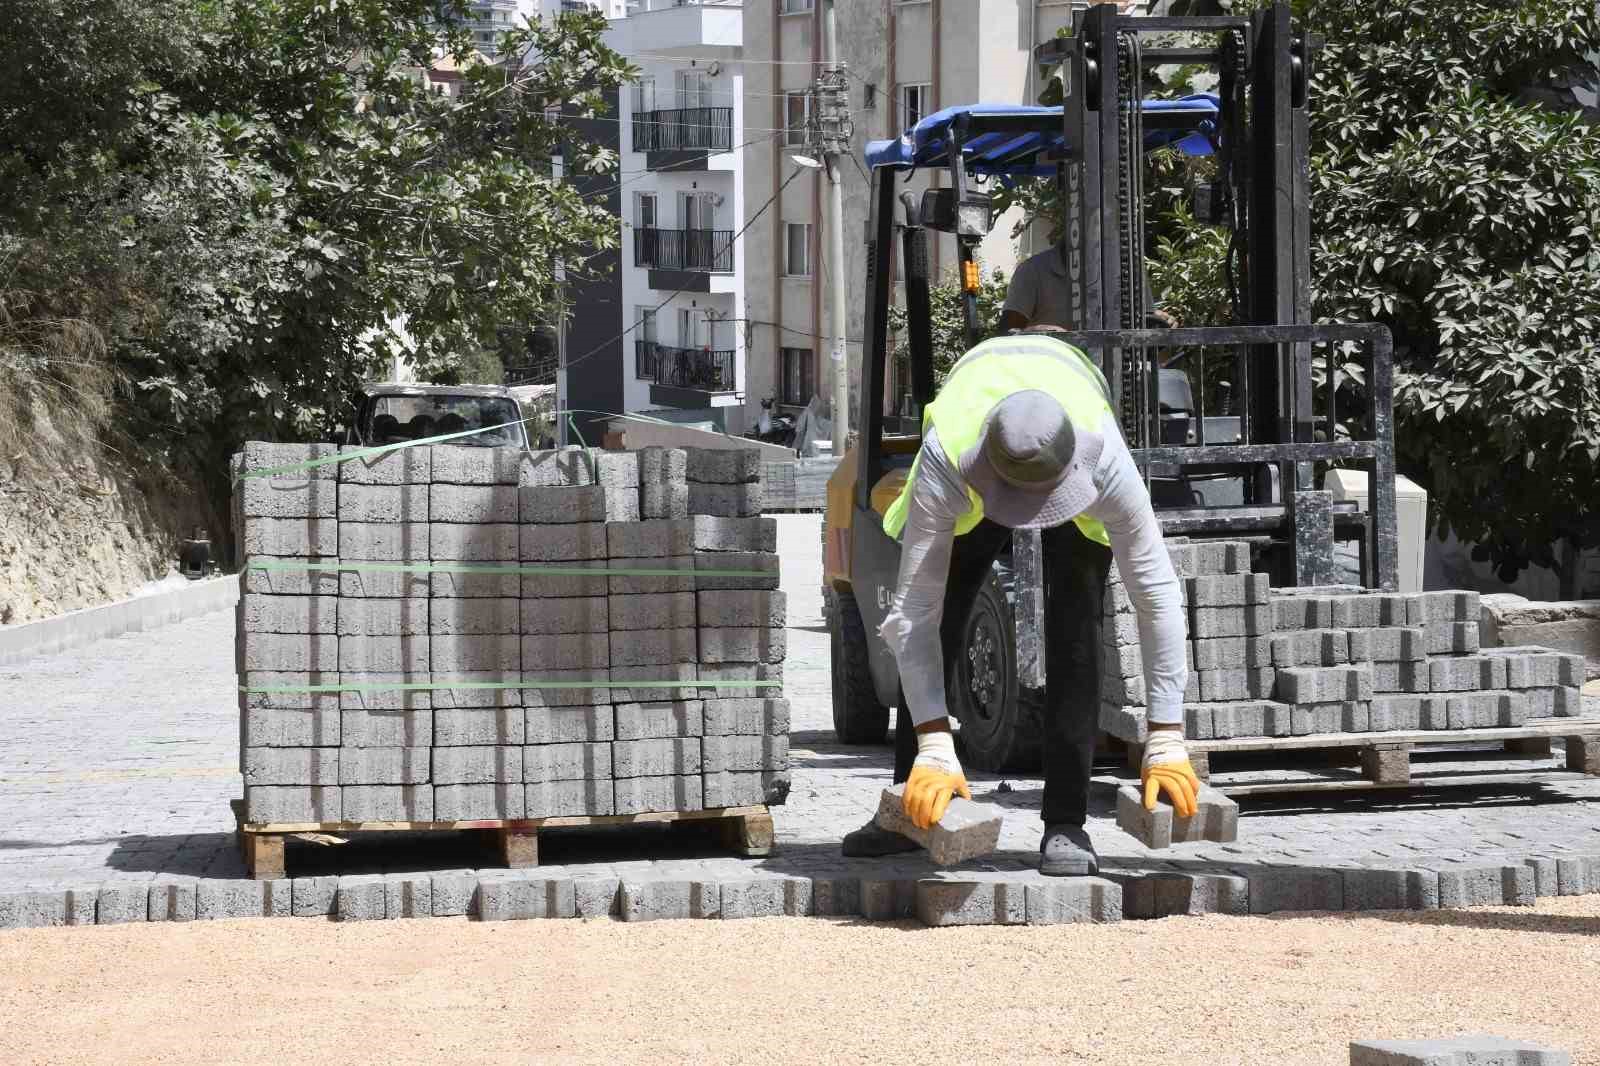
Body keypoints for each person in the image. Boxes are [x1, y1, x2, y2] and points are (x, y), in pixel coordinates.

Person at [840, 324, 1198, 876]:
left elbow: (1156, 594)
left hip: (1069, 432)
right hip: (976, 466)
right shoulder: (949, 457)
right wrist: (936, 742)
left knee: (1075, 629)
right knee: (939, 623)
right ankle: (910, 806)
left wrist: (1167, 735)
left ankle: (1066, 825)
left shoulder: (1102, 455)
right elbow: (913, 613)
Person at [998, 242, 1176, 341]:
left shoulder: (1127, 267)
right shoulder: (1034, 270)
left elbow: (1144, 319)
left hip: (1115, 376)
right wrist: (1037, 331)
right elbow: (1006, 333)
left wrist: (1159, 323)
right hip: (1052, 375)